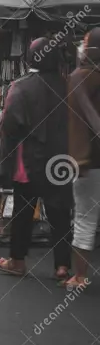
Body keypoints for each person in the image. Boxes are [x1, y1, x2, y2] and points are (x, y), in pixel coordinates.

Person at [0, 38, 72, 280]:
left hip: (28, 161)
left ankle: (17, 261)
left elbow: (10, 125)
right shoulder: (67, 86)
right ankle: (62, 266)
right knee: (60, 212)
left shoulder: (21, 87)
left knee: (23, 211)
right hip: (60, 161)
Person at [65, 28, 100, 287]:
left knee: (85, 218)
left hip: (90, 160)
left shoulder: (79, 78)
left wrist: (79, 159)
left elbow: (78, 125)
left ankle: (80, 276)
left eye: (85, 43)